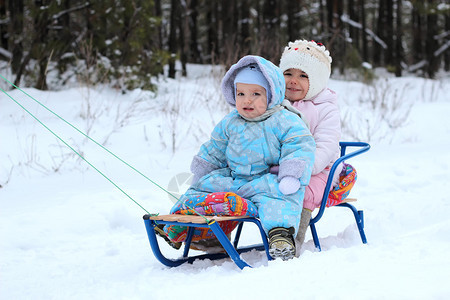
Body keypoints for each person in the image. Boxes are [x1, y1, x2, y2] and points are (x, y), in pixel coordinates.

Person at [167, 55, 316, 261]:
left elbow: (300, 145)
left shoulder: (284, 120)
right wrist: (202, 171)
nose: (247, 100)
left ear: (272, 94)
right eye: (241, 93)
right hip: (233, 178)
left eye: (256, 94)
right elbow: (215, 148)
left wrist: (290, 175)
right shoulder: (230, 122)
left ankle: (280, 236)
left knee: (281, 194)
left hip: (263, 179)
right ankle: (177, 227)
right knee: (199, 188)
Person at [278, 39, 341, 253]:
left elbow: (327, 144)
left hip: (319, 169)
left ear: (316, 80)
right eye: (288, 73)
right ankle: (214, 236)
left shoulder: (326, 109)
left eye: (303, 75)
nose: (294, 81)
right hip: (280, 167)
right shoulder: (274, 103)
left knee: (300, 190)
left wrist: (304, 169)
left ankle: (291, 240)